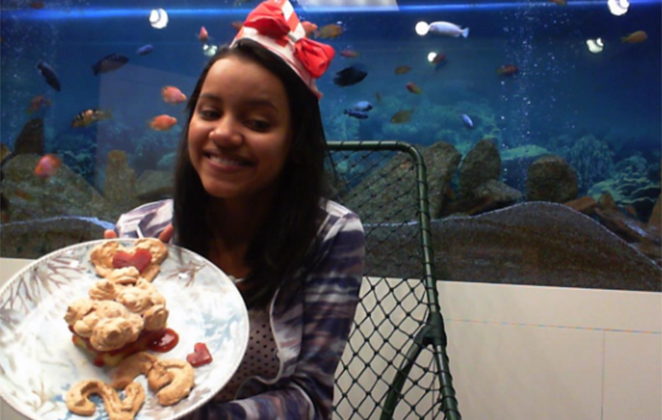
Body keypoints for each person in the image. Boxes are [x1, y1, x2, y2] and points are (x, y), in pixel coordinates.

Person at [103, 0, 366, 419]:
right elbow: (113, 384)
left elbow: (310, 399)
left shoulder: (332, 236)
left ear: (295, 142)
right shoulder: (139, 232)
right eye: (210, 112)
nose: (224, 133)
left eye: (258, 122)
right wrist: (109, 318)